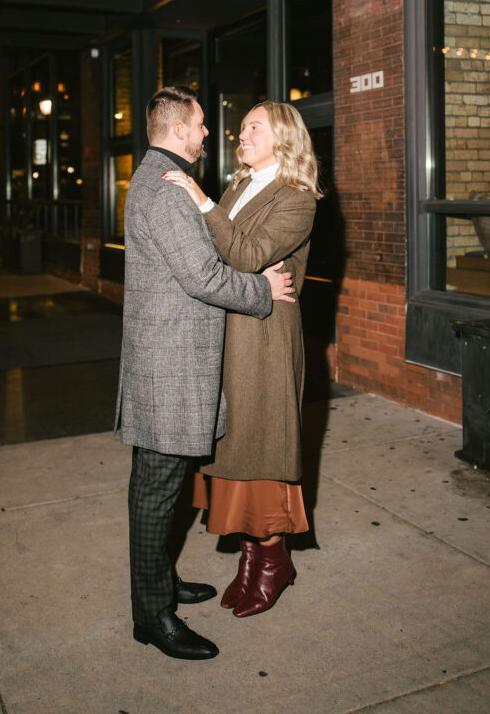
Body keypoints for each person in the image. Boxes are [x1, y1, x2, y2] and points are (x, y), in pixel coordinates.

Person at [116, 86, 295, 661]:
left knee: (159, 487)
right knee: (156, 491)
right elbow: (204, 277)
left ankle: (160, 586)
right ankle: (153, 617)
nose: (207, 134)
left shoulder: (156, 179)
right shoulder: (166, 190)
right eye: (199, 125)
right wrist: (262, 290)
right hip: (170, 366)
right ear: (176, 132)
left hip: (167, 359)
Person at [163, 100, 321, 619]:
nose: (240, 134)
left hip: (266, 341)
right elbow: (221, 258)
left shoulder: (298, 196)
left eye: (254, 127)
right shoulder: (239, 185)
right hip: (230, 332)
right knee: (234, 447)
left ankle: (275, 562)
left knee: (263, 446)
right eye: (243, 126)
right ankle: (250, 560)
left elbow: (250, 255)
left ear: (283, 137)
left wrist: (204, 204)